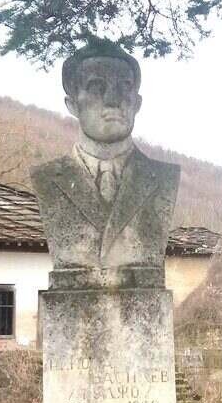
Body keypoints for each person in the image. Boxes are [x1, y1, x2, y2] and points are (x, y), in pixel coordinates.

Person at [31, 40, 179, 281]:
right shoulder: (47, 179)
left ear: (137, 103)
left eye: (124, 87)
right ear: (72, 104)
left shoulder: (164, 178)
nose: (113, 99)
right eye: (96, 86)